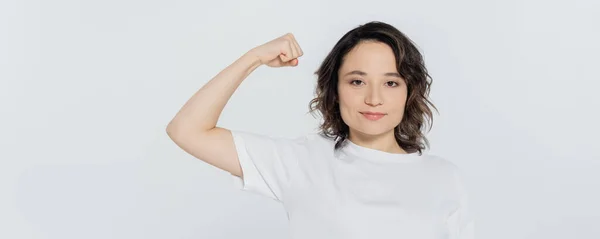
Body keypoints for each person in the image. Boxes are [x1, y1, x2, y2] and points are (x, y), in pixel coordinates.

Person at [166, 21, 474, 239]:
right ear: (335, 89)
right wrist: (254, 58)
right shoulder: (303, 161)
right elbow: (187, 130)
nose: (374, 98)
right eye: (357, 81)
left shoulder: (445, 178)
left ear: (410, 91)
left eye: (391, 82)